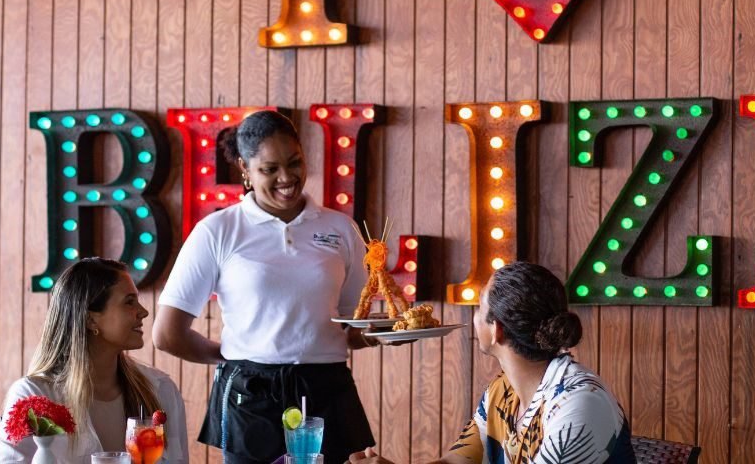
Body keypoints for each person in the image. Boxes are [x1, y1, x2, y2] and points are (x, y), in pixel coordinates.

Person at [153, 109, 378, 464]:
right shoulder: (218, 230)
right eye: (269, 169)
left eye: (294, 163)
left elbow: (351, 329)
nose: (286, 178)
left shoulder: (341, 229)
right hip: (250, 396)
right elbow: (167, 334)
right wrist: (232, 356)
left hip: (327, 391)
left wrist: (390, 332)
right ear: (244, 169)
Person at [349, 261, 635, 464]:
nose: (474, 316)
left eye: (479, 307)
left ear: (496, 329)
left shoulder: (578, 403)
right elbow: (458, 460)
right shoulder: (503, 391)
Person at [0, 258, 188, 462]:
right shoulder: (33, 396)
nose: (144, 311)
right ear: (90, 319)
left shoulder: (161, 389)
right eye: (129, 301)